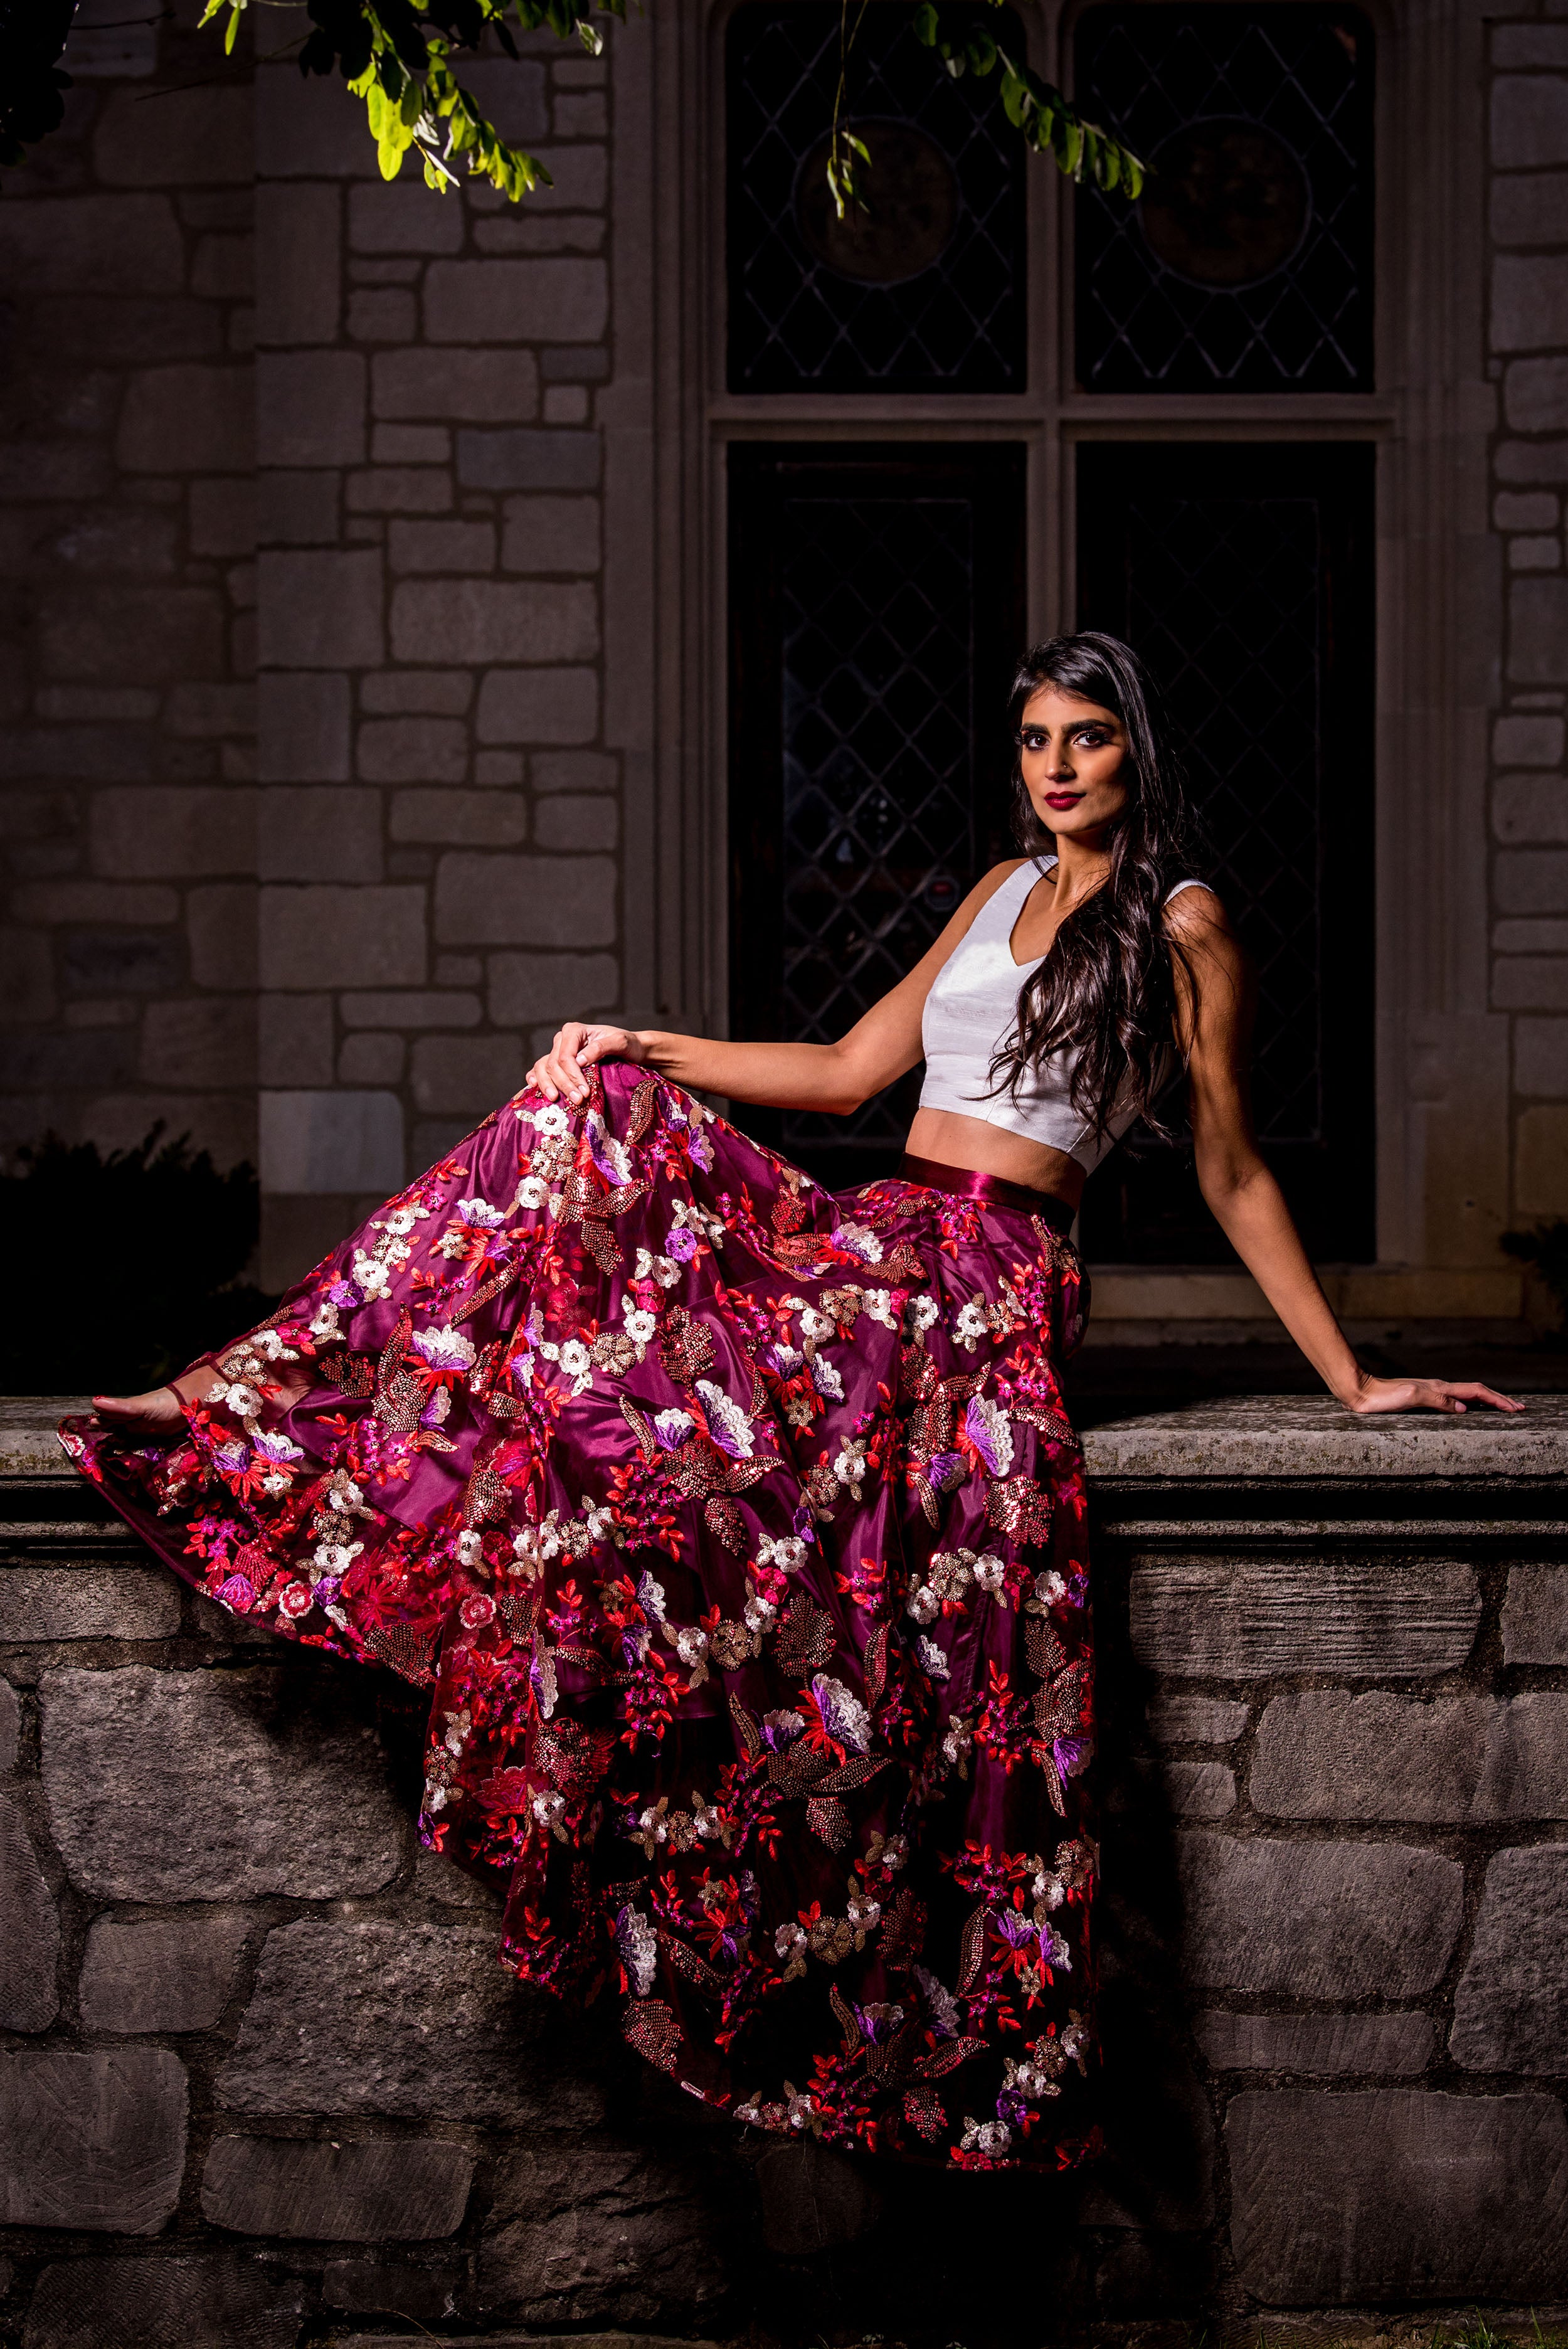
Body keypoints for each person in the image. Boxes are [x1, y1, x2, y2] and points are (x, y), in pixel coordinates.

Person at [66, 632, 1518, 2173]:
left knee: (678, 1394)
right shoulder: (994, 888)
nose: (1055, 766)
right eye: (1032, 738)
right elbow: (840, 1076)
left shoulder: (1183, 921)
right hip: (883, 1237)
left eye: (1084, 737)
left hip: (986, 1281)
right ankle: (266, 1391)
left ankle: (300, 1408)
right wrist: (639, 1037)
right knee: (588, 1112)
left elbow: (1227, 1163)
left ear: (1132, 750)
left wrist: (1351, 1379)